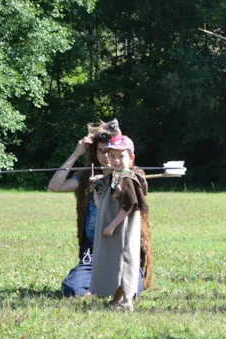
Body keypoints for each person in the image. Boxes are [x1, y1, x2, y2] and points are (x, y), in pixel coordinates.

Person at [48, 121, 154, 297]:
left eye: (111, 152)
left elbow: (128, 190)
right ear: (95, 154)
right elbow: (55, 185)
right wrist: (76, 153)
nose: (107, 157)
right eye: (101, 151)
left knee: (130, 290)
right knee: (73, 289)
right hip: (94, 254)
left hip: (123, 253)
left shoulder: (132, 177)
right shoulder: (85, 179)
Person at [89, 134, 148, 311]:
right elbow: (102, 202)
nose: (115, 160)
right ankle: (117, 298)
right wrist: (96, 187)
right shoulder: (113, 177)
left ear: (131, 158)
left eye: (121, 156)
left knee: (125, 261)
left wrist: (113, 225)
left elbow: (130, 204)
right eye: (112, 156)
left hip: (121, 229)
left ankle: (127, 300)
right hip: (111, 228)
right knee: (114, 262)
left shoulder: (128, 178)